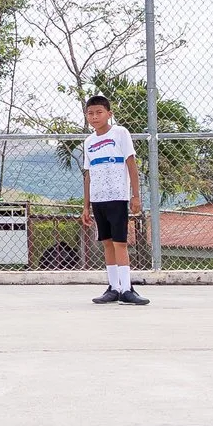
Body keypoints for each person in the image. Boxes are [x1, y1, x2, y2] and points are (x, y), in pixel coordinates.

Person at [79, 95, 146, 304]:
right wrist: (86, 206)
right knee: (106, 242)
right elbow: (88, 174)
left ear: (109, 114)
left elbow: (131, 165)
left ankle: (127, 289)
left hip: (118, 197)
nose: (94, 117)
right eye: (90, 113)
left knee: (120, 242)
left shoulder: (120, 133)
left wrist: (135, 195)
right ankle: (113, 287)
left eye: (99, 112)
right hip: (98, 200)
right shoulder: (88, 142)